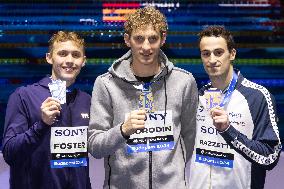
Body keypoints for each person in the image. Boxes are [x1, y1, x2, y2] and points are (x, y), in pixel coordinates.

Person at [88, 6, 198, 189]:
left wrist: (170, 174)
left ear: (163, 39)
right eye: (139, 39)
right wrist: (122, 130)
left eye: (152, 39)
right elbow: (95, 146)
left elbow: (189, 137)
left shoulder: (184, 82)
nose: (146, 47)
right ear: (127, 40)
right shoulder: (106, 84)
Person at [188, 25, 282, 189]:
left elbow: (270, 157)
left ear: (232, 54)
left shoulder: (257, 96)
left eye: (218, 52)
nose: (211, 59)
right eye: (206, 54)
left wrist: (228, 130)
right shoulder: (199, 96)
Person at [2, 31, 92, 189]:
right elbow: (10, 153)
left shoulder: (86, 100)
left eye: (76, 55)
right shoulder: (23, 96)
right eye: (62, 54)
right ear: (49, 57)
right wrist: (41, 125)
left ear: (83, 61)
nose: (69, 60)